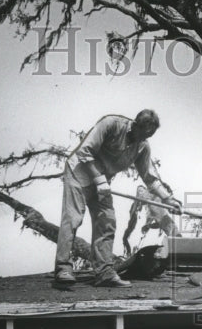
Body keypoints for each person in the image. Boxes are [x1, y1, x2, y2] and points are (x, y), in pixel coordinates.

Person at [54, 110, 180, 287]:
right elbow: (85, 151)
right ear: (135, 125)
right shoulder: (111, 124)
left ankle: (104, 272)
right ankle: (62, 268)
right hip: (79, 174)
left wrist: (168, 199)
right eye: (143, 133)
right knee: (73, 218)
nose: (143, 139)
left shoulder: (143, 145)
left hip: (102, 182)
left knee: (107, 221)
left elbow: (149, 176)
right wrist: (98, 180)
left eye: (149, 135)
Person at [122, 183, 181, 255]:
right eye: (139, 192)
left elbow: (159, 223)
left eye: (141, 191)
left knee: (178, 245)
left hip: (170, 228)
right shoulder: (150, 207)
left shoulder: (152, 199)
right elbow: (158, 224)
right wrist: (148, 226)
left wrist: (148, 226)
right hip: (168, 226)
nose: (140, 193)